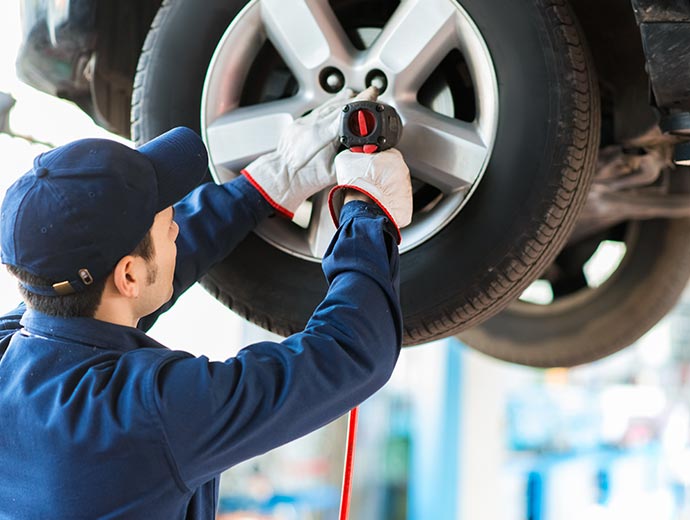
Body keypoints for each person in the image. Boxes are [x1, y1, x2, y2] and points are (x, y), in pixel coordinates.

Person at [0, 87, 413, 519]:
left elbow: (139, 281)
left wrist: (266, 185)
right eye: (168, 225)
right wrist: (367, 213)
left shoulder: (18, 346)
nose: (177, 228)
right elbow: (351, 353)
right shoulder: (146, 417)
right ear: (128, 276)